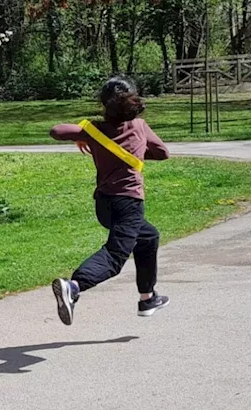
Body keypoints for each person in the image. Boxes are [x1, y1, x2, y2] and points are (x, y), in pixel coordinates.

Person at [49, 77, 171, 326]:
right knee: (115, 257)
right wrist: (137, 148)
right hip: (128, 204)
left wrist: (86, 138)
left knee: (148, 237)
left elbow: (56, 131)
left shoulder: (93, 131)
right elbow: (163, 153)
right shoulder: (139, 126)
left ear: (103, 105)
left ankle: (147, 297)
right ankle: (74, 286)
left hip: (104, 205)